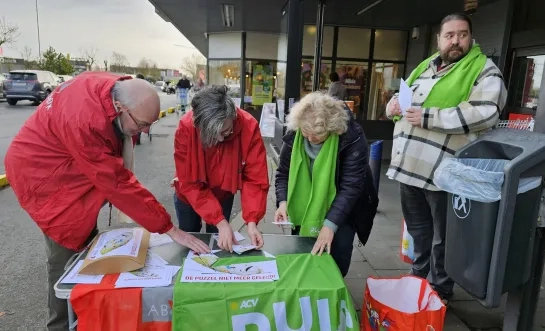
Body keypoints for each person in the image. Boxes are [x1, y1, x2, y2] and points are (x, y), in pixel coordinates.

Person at [4, 72, 210, 331]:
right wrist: (170, 229)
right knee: (66, 259)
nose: (145, 131)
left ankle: (86, 317)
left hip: (68, 169)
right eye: (142, 124)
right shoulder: (85, 121)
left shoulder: (115, 89)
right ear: (120, 108)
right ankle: (60, 326)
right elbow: (117, 183)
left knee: (86, 249)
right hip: (44, 181)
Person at [385, 13, 507, 306]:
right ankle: (417, 278)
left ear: (471, 38)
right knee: (418, 231)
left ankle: (439, 290)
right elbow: (407, 102)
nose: (455, 41)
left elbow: (486, 112)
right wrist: (393, 105)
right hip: (409, 169)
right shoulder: (426, 67)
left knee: (443, 238)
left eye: (462, 35)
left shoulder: (485, 71)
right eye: (449, 35)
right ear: (439, 39)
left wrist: (429, 117)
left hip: (443, 175)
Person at [274, 92, 378, 277]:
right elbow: (283, 173)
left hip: (346, 206)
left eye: (317, 134)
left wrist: (329, 225)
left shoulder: (352, 137)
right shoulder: (295, 132)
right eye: (306, 133)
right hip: (304, 207)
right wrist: (283, 202)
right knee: (302, 254)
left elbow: (350, 187)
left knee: (338, 256)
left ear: (333, 128)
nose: (311, 139)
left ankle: (332, 293)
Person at [172, 85, 269, 252]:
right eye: (211, 134)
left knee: (220, 245)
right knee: (190, 244)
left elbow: (255, 177)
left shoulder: (248, 126)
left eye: (225, 132)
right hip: (189, 196)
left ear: (233, 116)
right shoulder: (186, 127)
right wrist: (220, 221)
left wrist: (252, 221)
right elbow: (189, 182)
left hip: (223, 194)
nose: (219, 139)